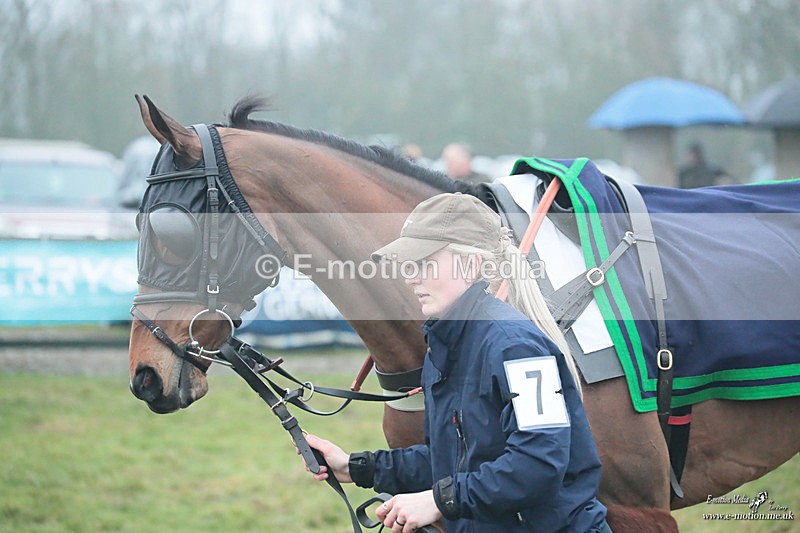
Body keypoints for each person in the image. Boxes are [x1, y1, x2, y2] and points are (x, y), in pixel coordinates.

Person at [301, 193, 610, 532]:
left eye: (424, 263)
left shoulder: (516, 347)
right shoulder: (446, 345)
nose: (411, 277)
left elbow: (539, 465)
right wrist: (355, 467)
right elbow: (448, 461)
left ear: (471, 265)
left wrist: (437, 501)